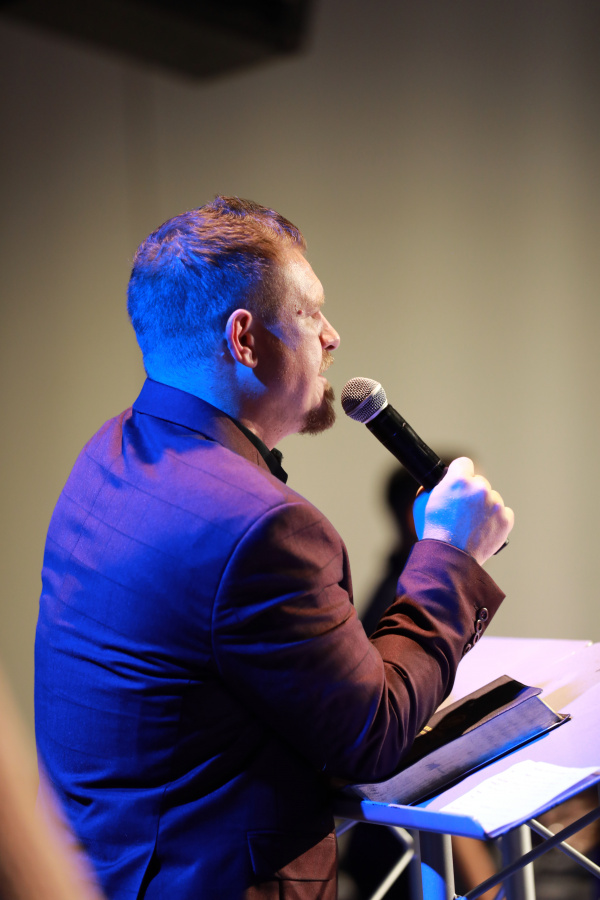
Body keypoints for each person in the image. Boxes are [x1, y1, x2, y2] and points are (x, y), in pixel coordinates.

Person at [34, 196, 514, 900]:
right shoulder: (260, 526)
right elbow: (372, 737)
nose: (332, 336)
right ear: (245, 339)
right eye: (310, 313)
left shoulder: (108, 456)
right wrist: (452, 557)